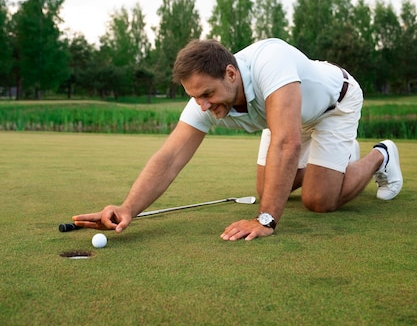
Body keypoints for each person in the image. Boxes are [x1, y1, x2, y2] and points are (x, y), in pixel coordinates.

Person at [73, 38, 403, 241]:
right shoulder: (206, 96)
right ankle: (332, 166)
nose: (202, 104)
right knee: (269, 188)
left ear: (231, 74)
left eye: (206, 94)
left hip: (335, 103)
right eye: (194, 97)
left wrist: (266, 220)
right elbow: (170, 157)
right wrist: (128, 207)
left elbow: (285, 143)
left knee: (317, 200)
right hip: (288, 114)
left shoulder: (270, 63)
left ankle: (381, 155)